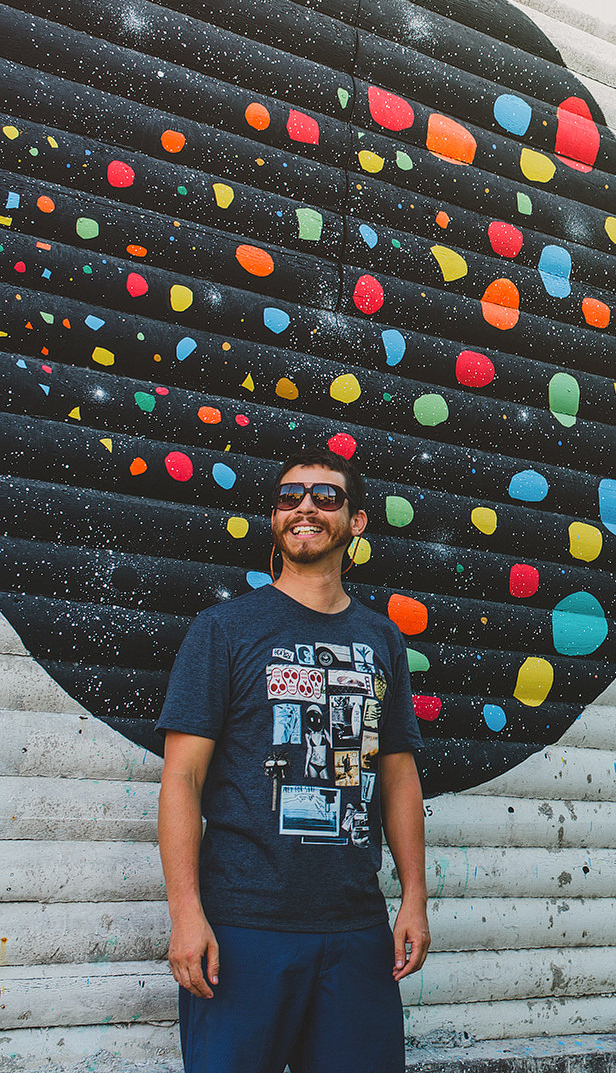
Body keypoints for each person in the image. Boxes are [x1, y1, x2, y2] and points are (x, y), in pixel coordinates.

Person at [157, 447, 430, 1073]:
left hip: (357, 929)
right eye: (289, 497)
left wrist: (413, 897)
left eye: (325, 496)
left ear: (356, 521)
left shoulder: (380, 637)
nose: (304, 507)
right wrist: (186, 914)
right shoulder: (224, 630)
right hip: (243, 928)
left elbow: (397, 775)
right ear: (275, 519)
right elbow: (182, 778)